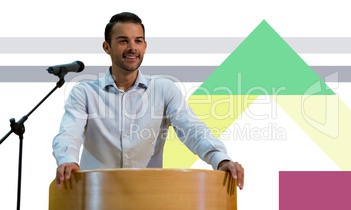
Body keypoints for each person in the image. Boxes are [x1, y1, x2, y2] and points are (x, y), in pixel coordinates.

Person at [52, 12, 244, 190]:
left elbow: (193, 130)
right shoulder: (85, 93)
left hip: (148, 196)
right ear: (107, 47)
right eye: (123, 41)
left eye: (138, 41)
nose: (132, 48)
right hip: (95, 194)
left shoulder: (163, 89)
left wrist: (221, 160)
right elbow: (69, 133)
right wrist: (68, 160)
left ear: (145, 46)